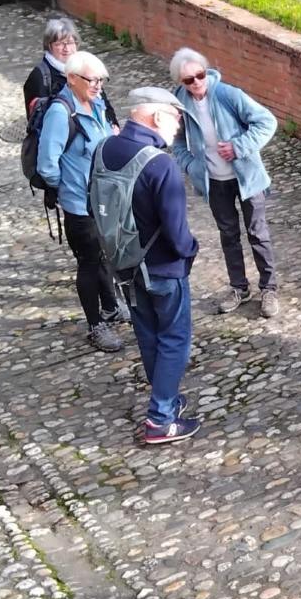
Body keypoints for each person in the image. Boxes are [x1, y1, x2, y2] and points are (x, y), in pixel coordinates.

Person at [93, 87, 201, 444]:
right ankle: (160, 420)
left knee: (149, 335)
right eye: (177, 119)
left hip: (124, 264)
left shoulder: (104, 148)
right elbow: (177, 232)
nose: (178, 128)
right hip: (163, 268)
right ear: (157, 117)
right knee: (174, 339)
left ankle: (165, 399)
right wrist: (190, 251)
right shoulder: (160, 163)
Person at [169, 47, 281, 318]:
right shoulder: (179, 103)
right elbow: (177, 140)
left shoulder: (227, 94)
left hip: (247, 178)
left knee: (258, 233)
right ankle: (239, 287)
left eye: (200, 75)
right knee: (228, 235)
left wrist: (239, 146)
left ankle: (269, 288)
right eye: (189, 79)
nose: (197, 82)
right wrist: (191, 166)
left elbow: (266, 122)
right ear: (180, 82)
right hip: (214, 181)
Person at [36, 51, 121, 351]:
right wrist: (71, 190)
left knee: (105, 256)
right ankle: (95, 325)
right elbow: (47, 165)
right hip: (79, 205)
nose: (98, 85)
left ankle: (111, 307)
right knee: (88, 262)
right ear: (72, 79)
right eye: (92, 80)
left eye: (101, 80)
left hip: (104, 200)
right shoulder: (60, 113)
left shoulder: (97, 104)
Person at [23, 18, 118, 131]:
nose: (66, 49)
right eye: (59, 44)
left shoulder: (86, 66)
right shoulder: (40, 76)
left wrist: (113, 124)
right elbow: (40, 118)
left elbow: (104, 102)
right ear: (49, 46)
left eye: (70, 43)